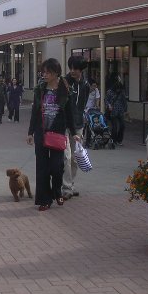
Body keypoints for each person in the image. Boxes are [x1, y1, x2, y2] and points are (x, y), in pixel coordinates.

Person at [27, 58, 78, 211]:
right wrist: (30, 132)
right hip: (41, 132)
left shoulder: (65, 89)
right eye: (43, 72)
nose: (44, 75)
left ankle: (57, 191)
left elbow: (69, 113)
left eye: (47, 72)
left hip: (57, 133)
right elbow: (35, 112)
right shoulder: (40, 89)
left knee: (57, 167)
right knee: (42, 168)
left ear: (56, 73)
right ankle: (44, 200)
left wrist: (74, 133)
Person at [62, 56, 90, 200]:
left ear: (81, 69)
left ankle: (71, 185)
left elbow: (83, 104)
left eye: (75, 68)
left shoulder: (85, 85)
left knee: (74, 158)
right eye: (71, 68)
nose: (72, 71)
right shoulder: (64, 82)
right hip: (65, 125)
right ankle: (66, 187)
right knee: (66, 156)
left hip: (78, 125)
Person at [105, 78, 128, 145]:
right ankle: (114, 140)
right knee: (114, 127)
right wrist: (109, 105)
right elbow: (106, 100)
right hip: (113, 112)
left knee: (122, 126)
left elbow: (124, 101)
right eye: (118, 89)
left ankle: (119, 140)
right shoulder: (110, 92)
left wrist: (126, 110)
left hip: (120, 111)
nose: (118, 90)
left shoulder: (121, 92)